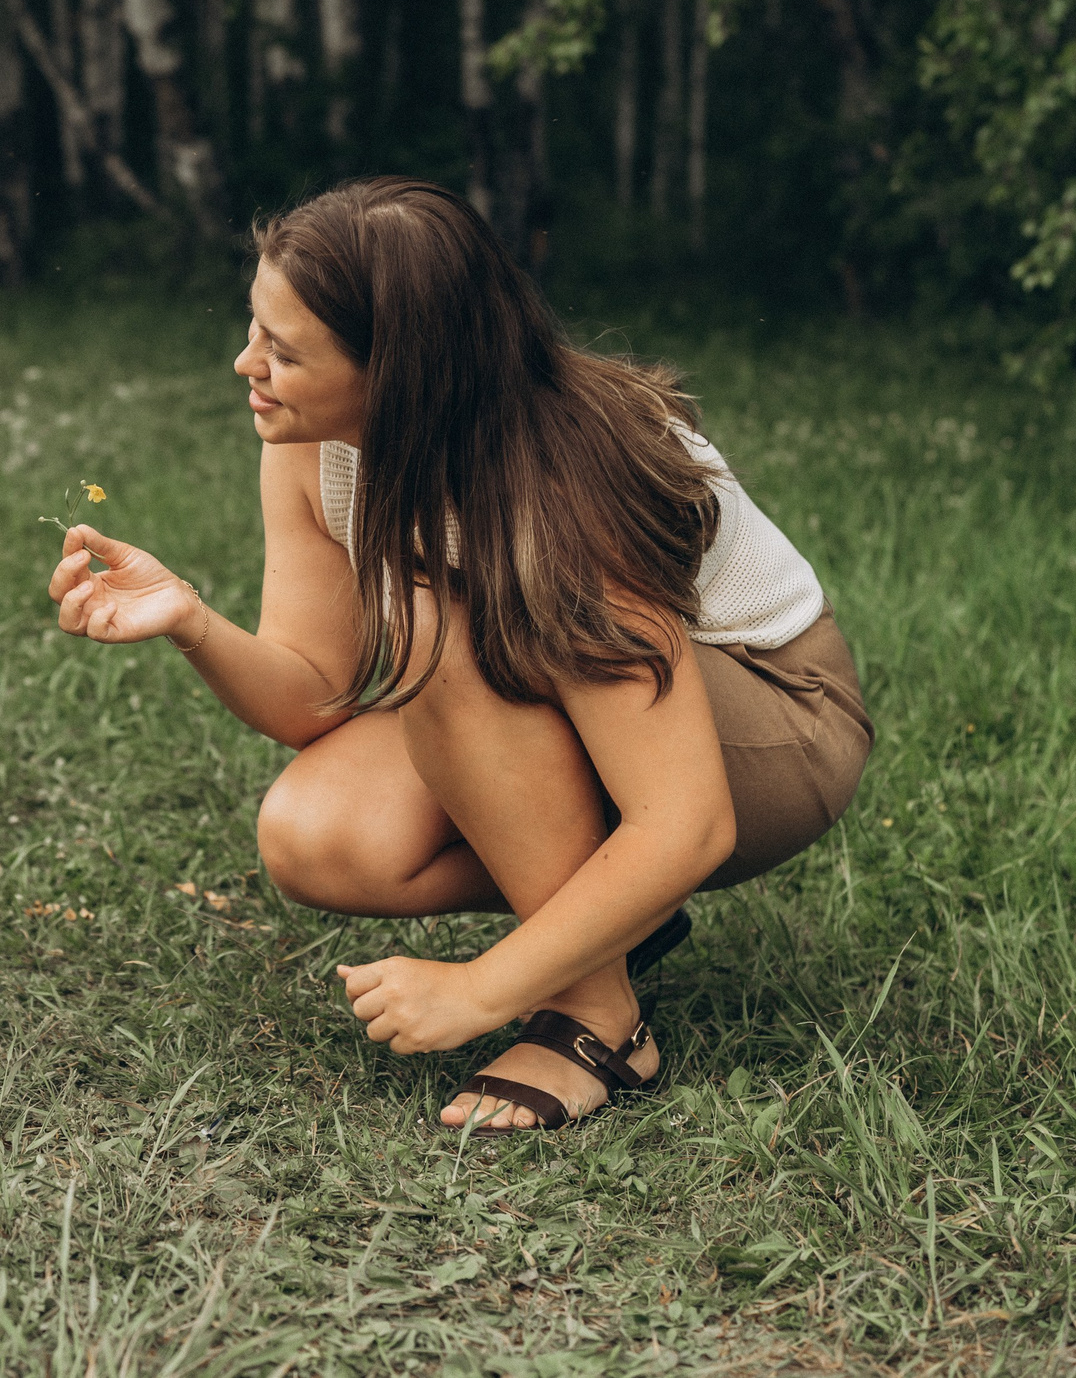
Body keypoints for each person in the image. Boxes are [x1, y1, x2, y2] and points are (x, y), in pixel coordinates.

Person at [48, 178, 870, 1130]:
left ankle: (596, 1021)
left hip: (778, 725)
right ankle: (605, 921)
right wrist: (191, 619)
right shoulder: (315, 439)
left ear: (395, 371)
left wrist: (479, 990)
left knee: (450, 641)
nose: (247, 364)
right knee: (320, 834)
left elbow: (687, 823)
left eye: (284, 350)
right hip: (599, 709)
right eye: (253, 329)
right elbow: (315, 696)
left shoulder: (559, 488)